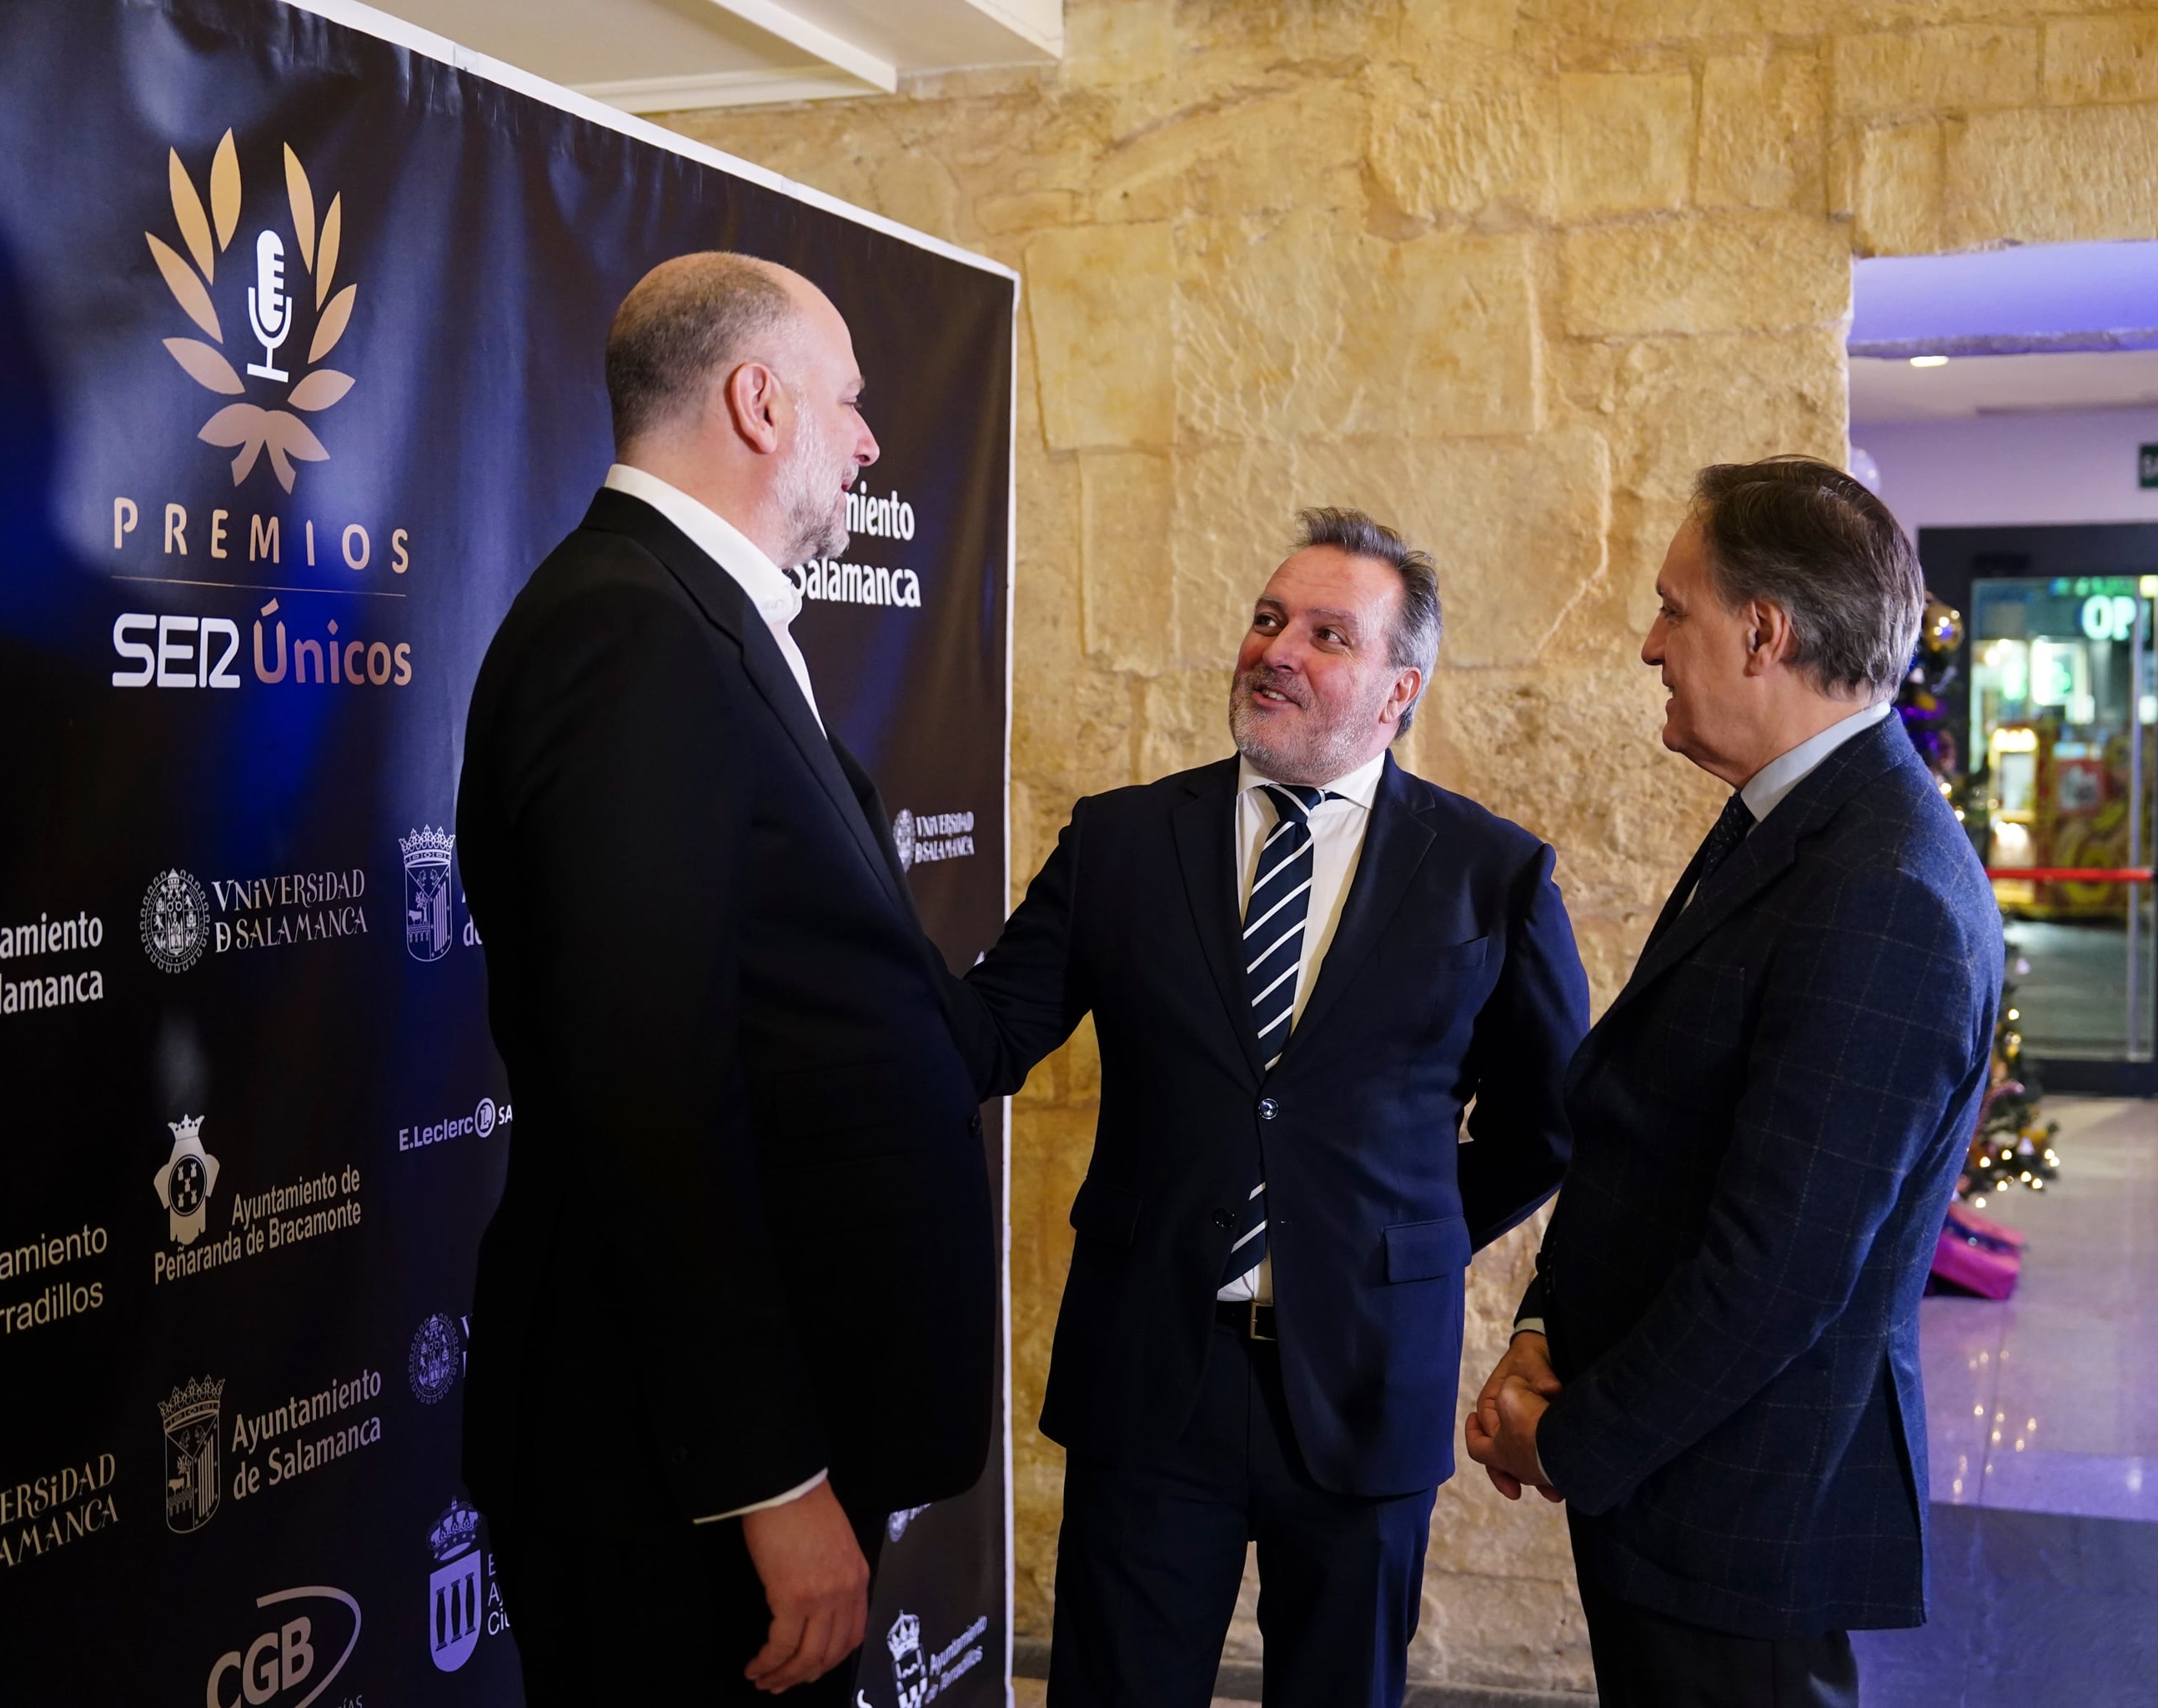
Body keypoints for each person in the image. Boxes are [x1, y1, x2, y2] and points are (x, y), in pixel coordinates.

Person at [456, 254, 996, 1703]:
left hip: (734, 1433)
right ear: (758, 402)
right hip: (668, 1477)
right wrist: (767, 1478)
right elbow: (647, 1088)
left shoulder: (693, 616)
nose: (871, 441)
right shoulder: (629, 635)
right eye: (848, 401)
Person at [948, 509, 1588, 1708]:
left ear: (1399, 692)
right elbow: (981, 1037)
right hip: (1151, 1375)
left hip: (1364, 1382)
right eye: (1266, 619)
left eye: (1328, 634)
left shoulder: (1491, 874)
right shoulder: (1121, 841)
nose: (1277, 649)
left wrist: (1401, 1238)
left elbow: (1548, 1120)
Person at [1465, 458, 2005, 1708]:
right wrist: (1544, 1331)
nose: (1652, 645)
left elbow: (1778, 1271)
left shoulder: (1885, 890)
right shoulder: (1791, 819)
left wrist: (1568, 1441)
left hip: (1743, 1515)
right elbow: (1644, 1129)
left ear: (1763, 632)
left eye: (1672, 607)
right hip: (1683, 1488)